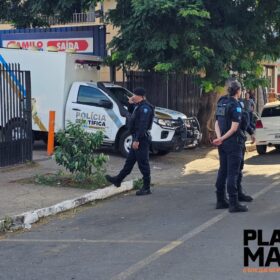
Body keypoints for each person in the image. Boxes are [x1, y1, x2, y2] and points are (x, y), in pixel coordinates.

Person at [213, 81, 254, 212]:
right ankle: (233, 203)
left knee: (223, 171)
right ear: (238, 91)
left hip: (223, 143)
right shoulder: (235, 105)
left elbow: (217, 123)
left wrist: (219, 138)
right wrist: (223, 138)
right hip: (233, 143)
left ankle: (220, 200)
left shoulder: (222, 102)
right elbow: (234, 127)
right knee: (233, 173)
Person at [105, 87, 155, 196]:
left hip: (141, 139)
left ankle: (146, 188)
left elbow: (143, 126)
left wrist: (137, 140)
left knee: (143, 164)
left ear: (140, 96)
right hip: (136, 137)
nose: (133, 96)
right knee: (129, 162)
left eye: (135, 95)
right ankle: (118, 180)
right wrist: (130, 103)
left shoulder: (145, 108)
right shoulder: (138, 106)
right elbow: (131, 114)